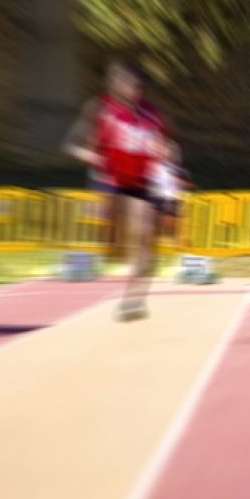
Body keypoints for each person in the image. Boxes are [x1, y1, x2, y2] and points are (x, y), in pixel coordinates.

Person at [63, 59, 169, 320]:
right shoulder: (99, 109)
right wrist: (94, 157)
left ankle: (134, 300)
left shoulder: (151, 114)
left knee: (145, 236)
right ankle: (112, 242)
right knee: (118, 247)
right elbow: (71, 145)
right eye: (128, 83)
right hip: (111, 182)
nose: (134, 88)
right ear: (115, 84)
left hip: (141, 184)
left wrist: (163, 154)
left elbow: (163, 146)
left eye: (138, 84)